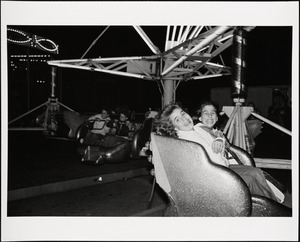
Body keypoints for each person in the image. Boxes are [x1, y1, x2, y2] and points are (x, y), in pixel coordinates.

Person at [154, 103, 284, 203]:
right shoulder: (185, 142)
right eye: (178, 120)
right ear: (174, 127)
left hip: (222, 167)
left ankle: (274, 201)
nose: (184, 119)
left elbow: (218, 134)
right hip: (213, 177)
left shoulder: (197, 128)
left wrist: (219, 139)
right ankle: (269, 207)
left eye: (183, 114)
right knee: (250, 180)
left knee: (255, 172)